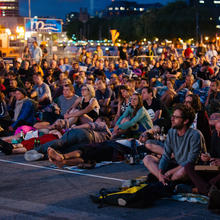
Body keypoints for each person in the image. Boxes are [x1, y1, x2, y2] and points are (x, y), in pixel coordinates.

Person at [143, 104, 205, 185]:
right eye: (172, 116)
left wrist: (170, 172)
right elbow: (166, 155)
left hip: (190, 168)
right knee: (147, 159)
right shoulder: (172, 132)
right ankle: (163, 180)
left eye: (176, 117)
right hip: (176, 164)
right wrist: (160, 172)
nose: (172, 119)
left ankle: (167, 182)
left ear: (185, 121)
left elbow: (191, 161)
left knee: (183, 170)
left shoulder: (195, 135)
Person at [24, 117, 112, 161]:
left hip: (85, 133)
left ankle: (36, 151)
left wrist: (74, 128)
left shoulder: (103, 125)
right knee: (66, 151)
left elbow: (89, 125)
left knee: (61, 142)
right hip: (88, 144)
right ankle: (43, 156)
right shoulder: (109, 137)